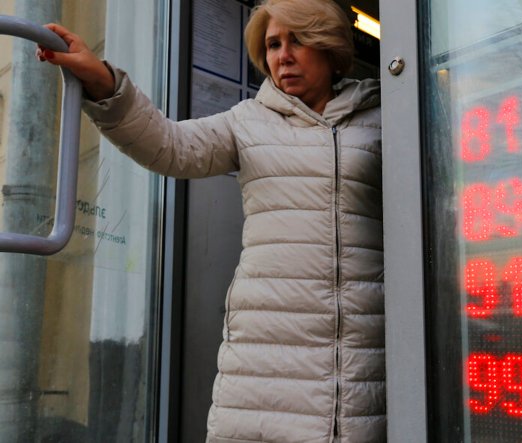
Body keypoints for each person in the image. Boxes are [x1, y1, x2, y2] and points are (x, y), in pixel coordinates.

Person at [38, 0, 385, 441]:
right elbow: (169, 145)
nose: (283, 55)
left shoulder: (381, 120)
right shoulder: (248, 121)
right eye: (273, 44)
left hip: (359, 355)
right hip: (265, 356)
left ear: (329, 46)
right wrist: (102, 80)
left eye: (297, 40)